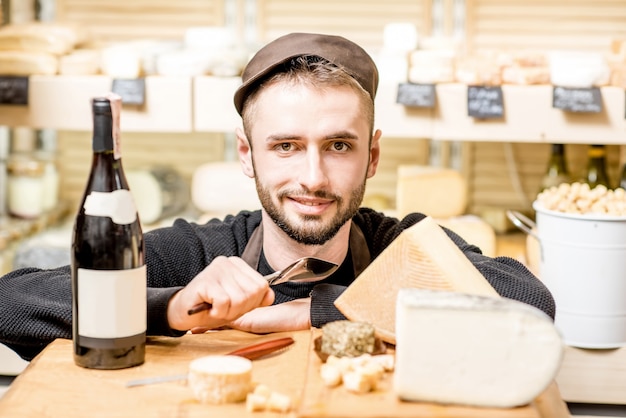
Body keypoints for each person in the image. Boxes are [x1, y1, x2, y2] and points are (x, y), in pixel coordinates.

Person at [0, 32, 555, 361]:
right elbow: (12, 302)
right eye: (286, 146)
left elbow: (529, 304)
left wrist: (316, 311)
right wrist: (168, 307)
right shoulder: (202, 251)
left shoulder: (401, 244)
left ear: (374, 155)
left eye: (338, 145)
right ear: (247, 155)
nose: (312, 177)